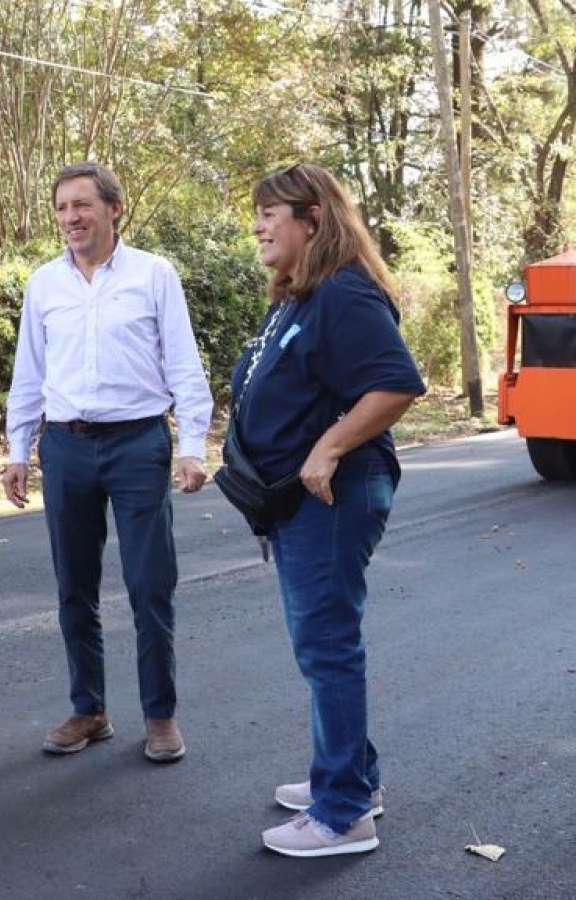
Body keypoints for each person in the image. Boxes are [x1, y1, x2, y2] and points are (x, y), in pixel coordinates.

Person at [231, 164, 425, 857]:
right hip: (296, 503)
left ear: (312, 218)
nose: (257, 225)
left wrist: (327, 448)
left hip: (332, 497)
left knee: (328, 647)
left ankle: (343, 814)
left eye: (269, 213)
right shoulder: (301, 295)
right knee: (322, 648)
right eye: (255, 213)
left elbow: (397, 384)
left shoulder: (343, 292)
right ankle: (354, 779)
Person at [1, 162, 213, 764]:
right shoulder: (44, 284)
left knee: (150, 583)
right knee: (74, 586)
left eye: (82, 205)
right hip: (65, 446)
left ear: (114, 209)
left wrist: (193, 445)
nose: (70, 217)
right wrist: (19, 451)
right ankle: (88, 709)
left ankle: (160, 715)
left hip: (138, 444)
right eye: (62, 207)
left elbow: (183, 364)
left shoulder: (153, 275)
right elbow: (29, 374)